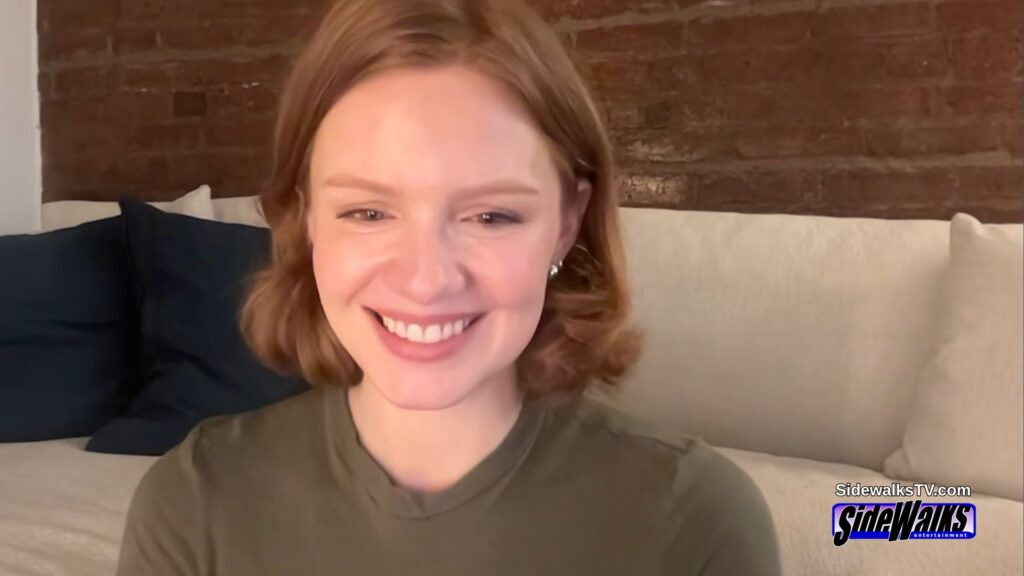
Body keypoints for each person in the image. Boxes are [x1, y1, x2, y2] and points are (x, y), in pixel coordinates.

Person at [114, 0, 781, 574]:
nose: (426, 279)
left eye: (491, 215)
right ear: (307, 217)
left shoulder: (693, 520)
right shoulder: (195, 501)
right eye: (368, 213)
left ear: (565, 224)